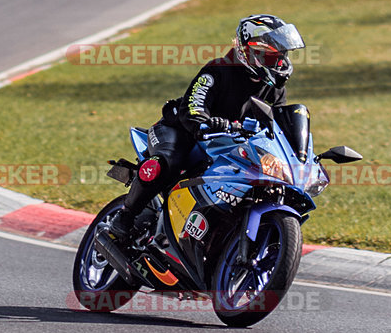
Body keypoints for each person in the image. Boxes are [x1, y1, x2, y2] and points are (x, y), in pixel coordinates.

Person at [107, 14, 305, 246]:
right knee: (168, 161)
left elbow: (276, 126)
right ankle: (125, 216)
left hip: (228, 144)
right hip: (182, 131)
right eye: (272, 55)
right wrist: (207, 121)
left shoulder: (274, 90)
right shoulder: (218, 70)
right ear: (249, 51)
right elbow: (194, 105)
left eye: (281, 55)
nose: (279, 61)